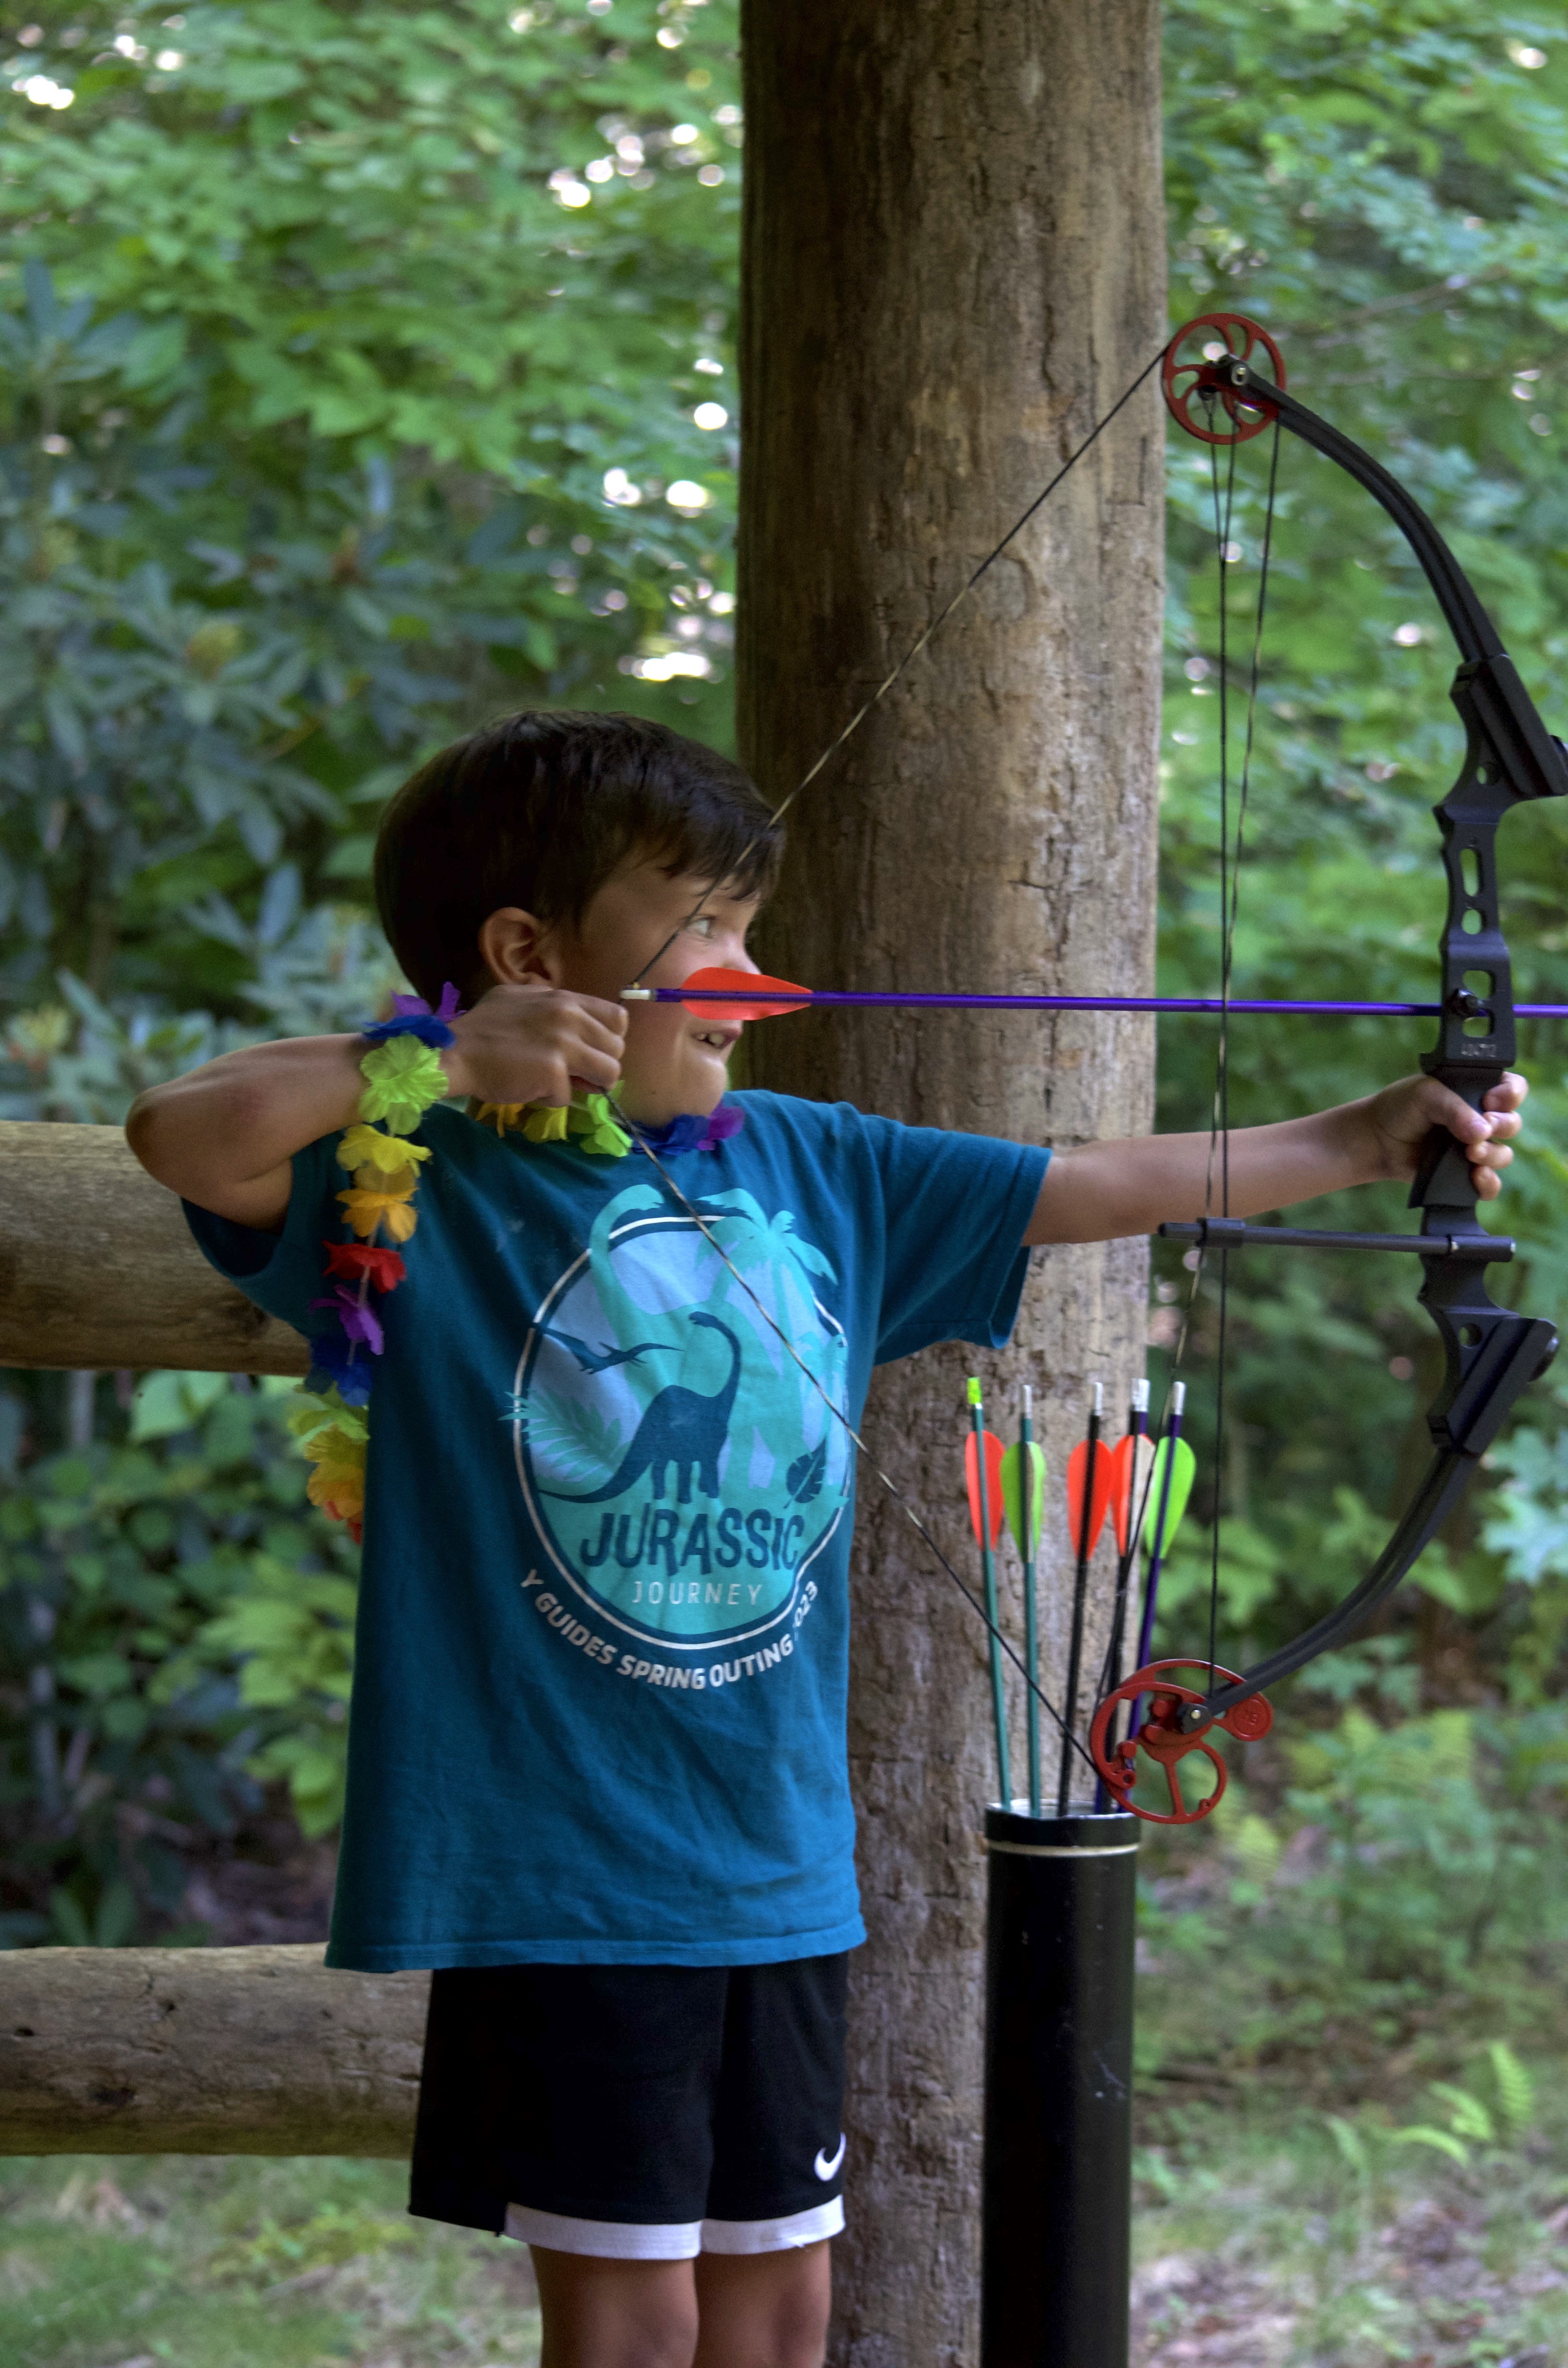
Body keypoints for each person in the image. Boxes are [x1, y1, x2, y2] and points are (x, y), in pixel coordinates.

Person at [125, 710, 1526, 2368]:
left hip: (773, 1858)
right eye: (707, 929)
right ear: (529, 958)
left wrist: (1368, 1139)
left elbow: (1098, 1181)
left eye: (749, 924)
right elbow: (183, 1132)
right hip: (561, 1867)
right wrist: (434, 1060)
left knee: (783, 2307)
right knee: (629, 2319)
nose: (754, 974)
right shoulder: (416, 1172)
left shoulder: (816, 1165)